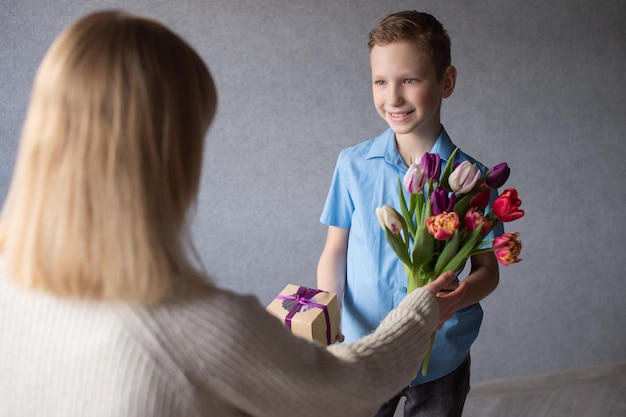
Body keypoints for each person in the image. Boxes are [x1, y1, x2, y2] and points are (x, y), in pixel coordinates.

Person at [0, 10, 469, 417]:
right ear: (171, 155)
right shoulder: (209, 329)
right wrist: (420, 311)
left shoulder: (10, 286)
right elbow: (349, 391)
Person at [317, 10, 504, 417]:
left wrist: (459, 298)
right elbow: (335, 250)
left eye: (410, 80)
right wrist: (330, 326)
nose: (393, 97)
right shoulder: (353, 165)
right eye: (381, 82)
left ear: (446, 81)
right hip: (367, 346)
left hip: (441, 355)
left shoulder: (472, 180)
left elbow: (488, 269)